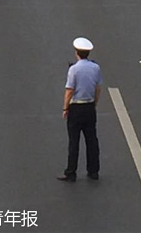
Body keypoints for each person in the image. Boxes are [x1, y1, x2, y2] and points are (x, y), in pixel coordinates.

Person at [57, 37, 102, 182]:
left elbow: (69, 90)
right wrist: (94, 103)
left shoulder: (74, 69)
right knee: (91, 140)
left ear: (77, 53)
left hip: (76, 108)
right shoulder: (95, 68)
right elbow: (98, 87)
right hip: (89, 107)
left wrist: (65, 108)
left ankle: (71, 172)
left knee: (74, 141)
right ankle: (93, 171)